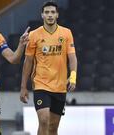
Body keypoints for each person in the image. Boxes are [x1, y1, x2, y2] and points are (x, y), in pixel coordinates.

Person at [20, 1, 77, 135]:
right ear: (42, 15)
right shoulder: (34, 35)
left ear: (57, 15)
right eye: (47, 12)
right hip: (41, 85)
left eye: (52, 12)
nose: (50, 15)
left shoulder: (66, 33)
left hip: (60, 86)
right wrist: (23, 87)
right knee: (44, 120)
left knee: (53, 127)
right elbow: (27, 62)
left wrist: (73, 77)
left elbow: (72, 58)